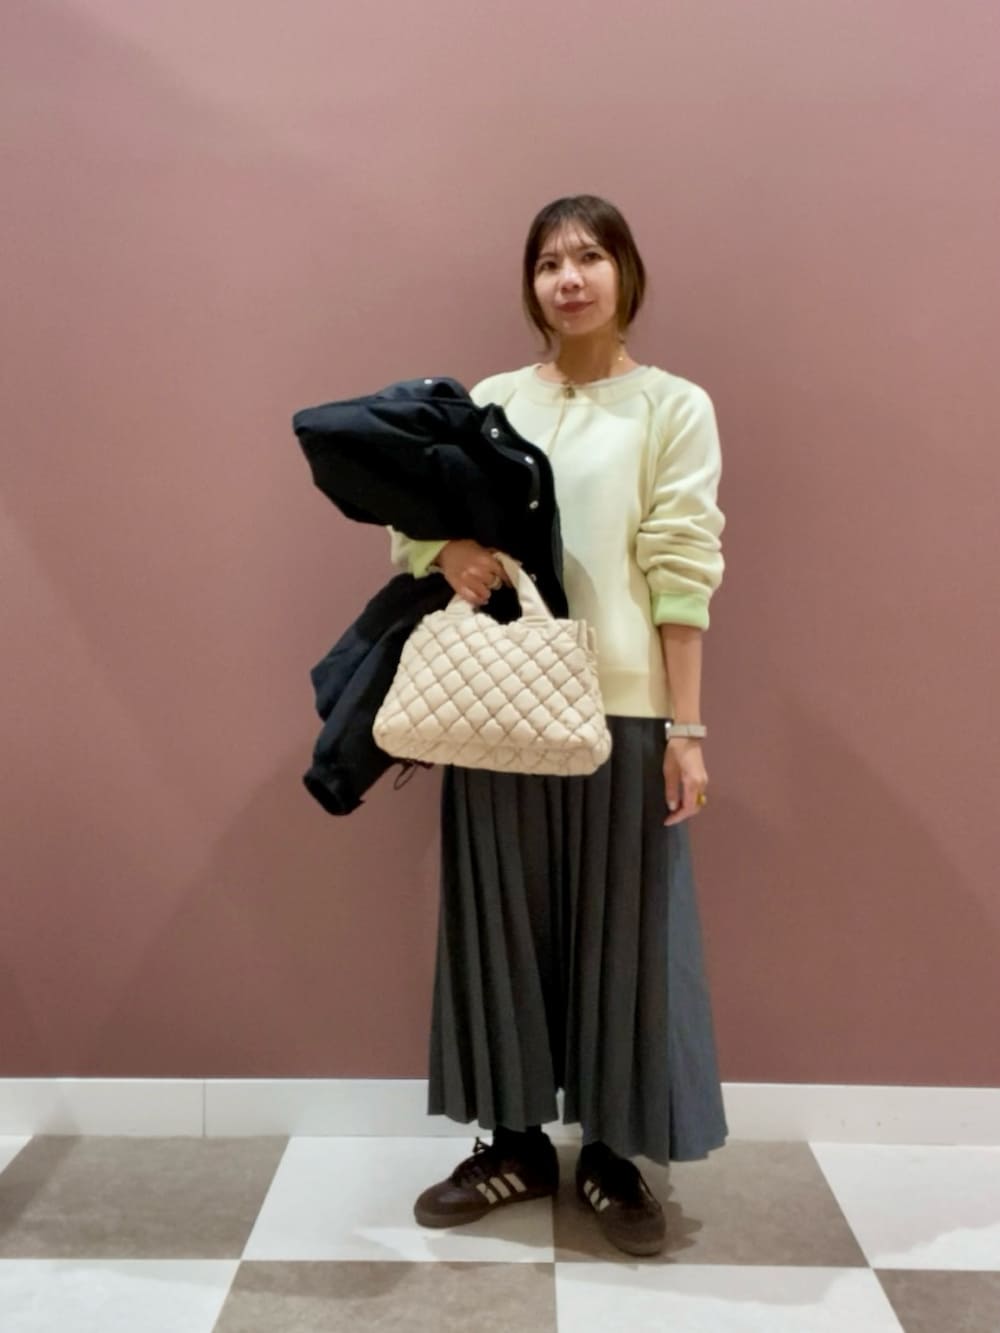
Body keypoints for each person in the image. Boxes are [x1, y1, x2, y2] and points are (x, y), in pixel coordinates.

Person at [390, 194, 727, 1257]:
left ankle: (614, 1155)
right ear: (530, 284)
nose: (569, 278)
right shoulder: (493, 401)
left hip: (624, 710)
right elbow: (411, 516)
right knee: (499, 926)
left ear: (626, 271)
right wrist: (444, 552)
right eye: (548, 262)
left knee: (624, 936)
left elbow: (683, 565)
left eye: (589, 257)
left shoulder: (672, 406)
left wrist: (686, 727)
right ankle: (516, 1144)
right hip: (502, 705)